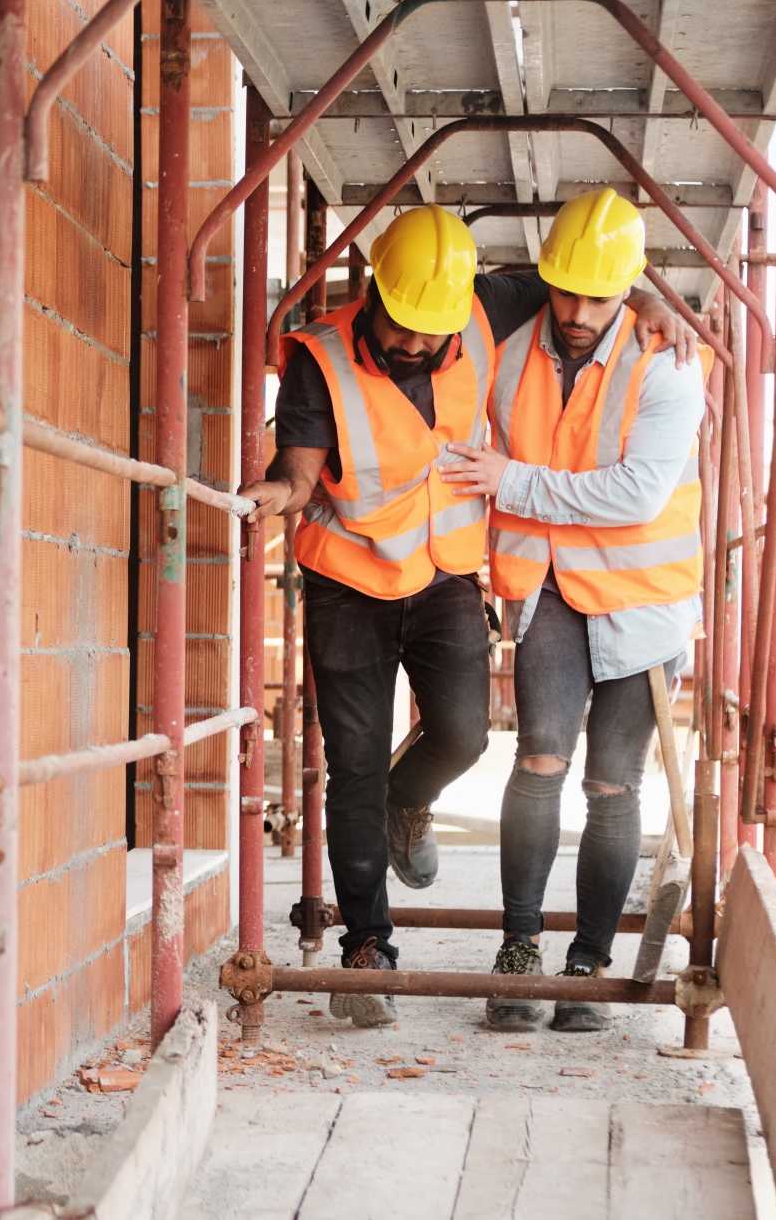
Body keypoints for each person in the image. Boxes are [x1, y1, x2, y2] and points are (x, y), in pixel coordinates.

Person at [240, 204, 693, 1028]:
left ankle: (409, 803)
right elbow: (301, 464)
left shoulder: (486, 305)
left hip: (448, 573)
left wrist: (656, 300)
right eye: (405, 326)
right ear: (375, 290)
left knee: (466, 734)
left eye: (434, 330)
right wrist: (281, 490)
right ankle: (367, 951)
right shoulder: (321, 357)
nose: (419, 344)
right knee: (353, 767)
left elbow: (595, 285)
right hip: (348, 578)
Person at [438, 189, 709, 1033]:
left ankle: (587, 963)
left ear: (630, 287)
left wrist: (510, 481)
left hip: (644, 603)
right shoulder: (511, 343)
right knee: (541, 762)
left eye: (600, 296)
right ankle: (519, 950)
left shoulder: (665, 362)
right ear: (545, 279)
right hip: (551, 584)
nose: (580, 311)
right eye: (568, 292)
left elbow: (636, 492)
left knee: (612, 782)